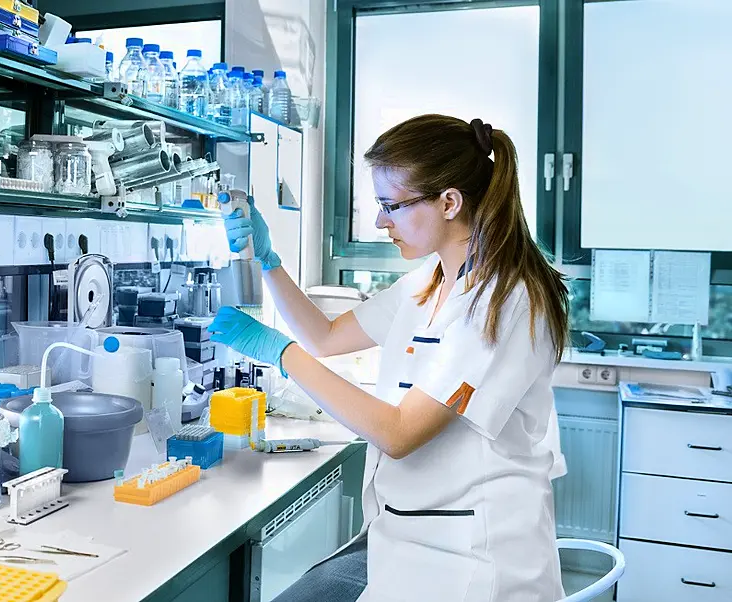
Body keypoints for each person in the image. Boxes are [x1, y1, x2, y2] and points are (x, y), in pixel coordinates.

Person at [209, 114, 570, 602]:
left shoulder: (505, 300)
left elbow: (399, 433)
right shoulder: (428, 282)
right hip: (407, 543)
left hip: (475, 561)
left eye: (390, 206)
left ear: (449, 202)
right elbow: (327, 336)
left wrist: (278, 352)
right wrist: (269, 263)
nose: (381, 222)